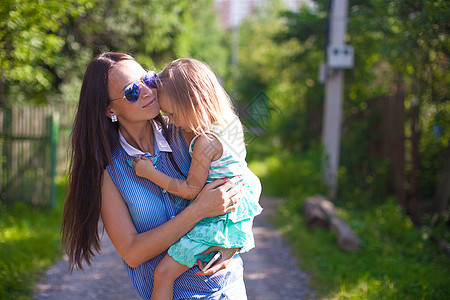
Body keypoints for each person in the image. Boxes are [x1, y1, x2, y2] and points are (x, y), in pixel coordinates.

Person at [61, 52, 261, 299]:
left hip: (227, 290)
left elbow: (244, 181)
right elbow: (133, 253)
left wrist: (233, 243)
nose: (146, 91)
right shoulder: (110, 173)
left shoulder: (188, 131)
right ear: (109, 108)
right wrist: (198, 210)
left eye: (147, 79)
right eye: (132, 92)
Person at [132, 58, 263, 300]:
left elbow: (191, 189)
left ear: (195, 105)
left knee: (163, 274)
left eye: (172, 113)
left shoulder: (205, 142)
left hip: (216, 221)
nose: (169, 120)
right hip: (236, 211)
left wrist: (150, 173)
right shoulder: (228, 123)